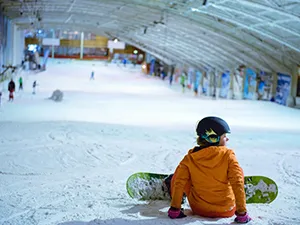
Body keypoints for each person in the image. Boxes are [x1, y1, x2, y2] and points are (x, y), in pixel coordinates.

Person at [166, 116, 251, 223]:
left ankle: (172, 188)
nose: (227, 139)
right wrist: (242, 214)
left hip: (200, 209)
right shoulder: (228, 155)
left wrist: (175, 209)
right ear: (213, 138)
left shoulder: (190, 158)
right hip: (227, 209)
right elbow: (237, 182)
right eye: (224, 136)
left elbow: (179, 182)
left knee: (179, 176)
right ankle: (239, 195)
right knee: (238, 173)